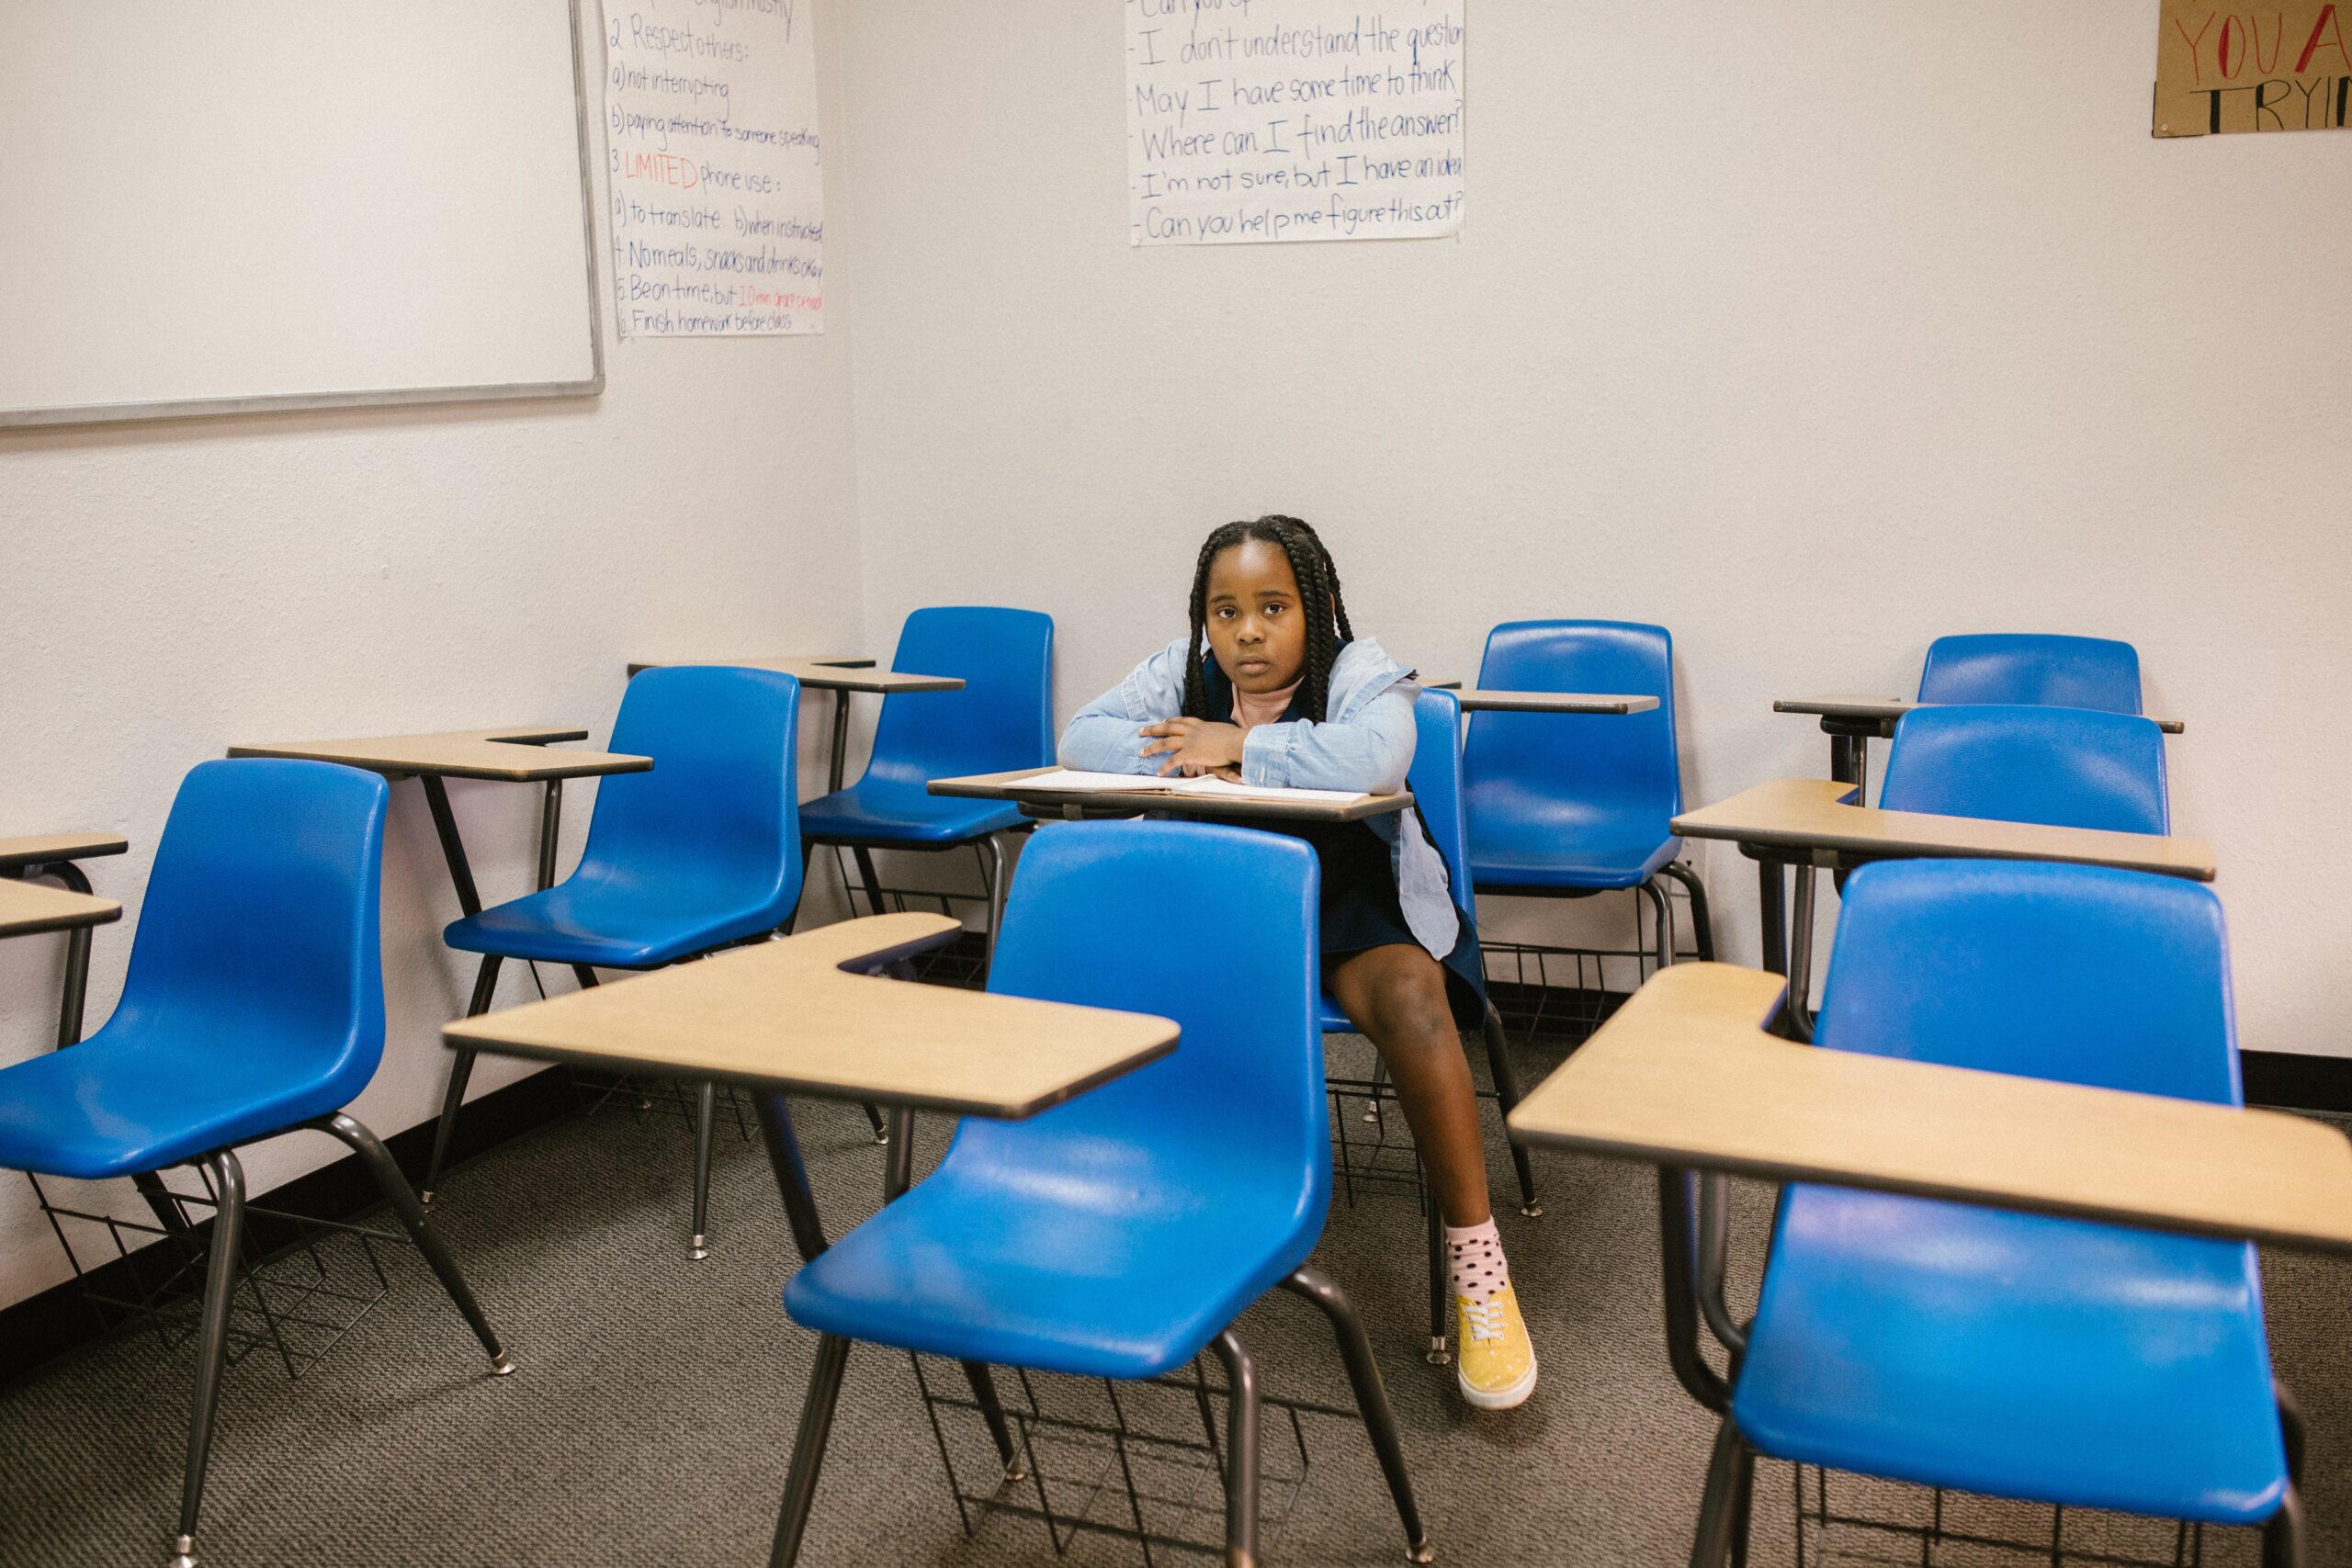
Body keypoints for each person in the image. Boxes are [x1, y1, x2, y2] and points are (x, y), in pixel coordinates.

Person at [1060, 514, 1537, 1410]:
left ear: (1313, 609)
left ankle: (1479, 1269)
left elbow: (1379, 751)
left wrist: (1236, 747)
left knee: (1414, 1002)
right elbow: (1080, 739)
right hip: (1231, 907)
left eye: (1272, 607)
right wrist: (1180, 749)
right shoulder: (1179, 670)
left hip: (1348, 903)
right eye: (1226, 611)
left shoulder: (1356, 669)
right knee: (1100, 980)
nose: (1247, 631)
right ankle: (1116, 1216)